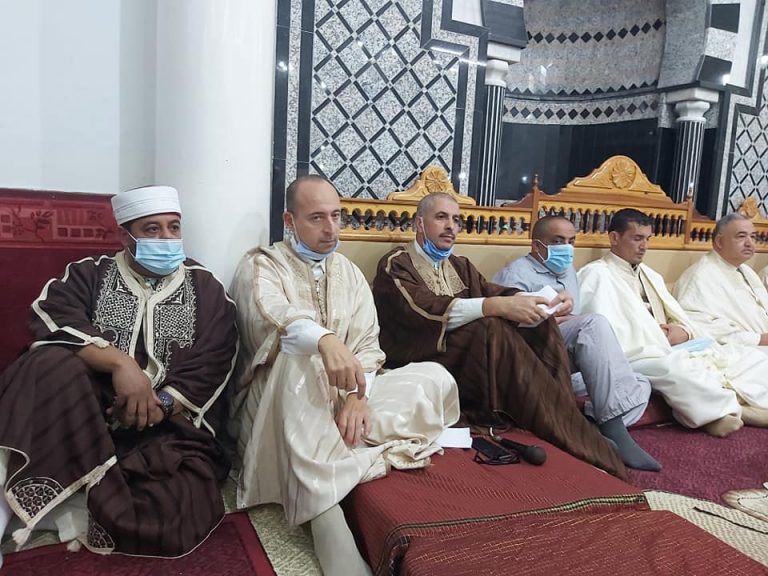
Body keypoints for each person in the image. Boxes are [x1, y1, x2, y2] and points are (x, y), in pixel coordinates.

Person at [229, 175, 460, 576]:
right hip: (281, 403)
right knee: (297, 358)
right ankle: (326, 517)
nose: (331, 228)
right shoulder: (262, 265)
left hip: (344, 402)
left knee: (434, 377)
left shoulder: (349, 273)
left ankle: (336, 456)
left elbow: (369, 346)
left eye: (336, 216)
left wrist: (358, 397)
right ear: (289, 220)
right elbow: (274, 320)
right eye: (317, 217)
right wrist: (324, 341)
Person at [0, 186, 238, 564]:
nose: (166, 238)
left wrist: (159, 404)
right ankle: (5, 508)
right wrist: (121, 365)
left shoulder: (206, 288)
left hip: (166, 427)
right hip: (85, 413)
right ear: (124, 236)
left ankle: (78, 491)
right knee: (45, 362)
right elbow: (53, 319)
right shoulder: (89, 274)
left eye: (173, 227)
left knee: (173, 514)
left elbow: (214, 359)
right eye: (152, 229)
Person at [371, 192, 625, 479]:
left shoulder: (460, 265)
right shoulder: (397, 263)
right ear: (419, 223)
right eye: (441, 217)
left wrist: (540, 301)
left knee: (540, 322)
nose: (451, 226)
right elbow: (422, 310)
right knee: (490, 327)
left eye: (456, 220)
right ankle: (567, 431)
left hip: (465, 359)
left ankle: (566, 418)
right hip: (419, 356)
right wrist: (495, 306)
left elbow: (491, 291)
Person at [578, 208, 768, 438]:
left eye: (648, 239)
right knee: (675, 368)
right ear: (614, 237)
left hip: (671, 344)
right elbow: (600, 331)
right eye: (637, 238)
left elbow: (681, 317)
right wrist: (654, 336)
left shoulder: (650, 274)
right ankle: (731, 412)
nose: (644, 246)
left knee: (748, 357)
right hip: (637, 352)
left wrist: (684, 332)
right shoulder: (596, 275)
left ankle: (732, 406)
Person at [492, 215, 658, 470]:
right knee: (594, 324)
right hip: (534, 361)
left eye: (571, 241)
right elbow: (505, 334)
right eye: (558, 241)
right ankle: (612, 426)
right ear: (537, 245)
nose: (566, 248)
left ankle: (591, 421)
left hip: (565, 364)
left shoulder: (569, 271)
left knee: (639, 381)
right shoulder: (515, 275)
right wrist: (552, 319)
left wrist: (568, 318)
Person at [675, 213, 768, 351]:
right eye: (741, 236)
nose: (749, 243)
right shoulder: (700, 276)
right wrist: (758, 339)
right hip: (739, 350)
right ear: (719, 241)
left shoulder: (747, 271)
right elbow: (696, 325)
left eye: (753, 237)